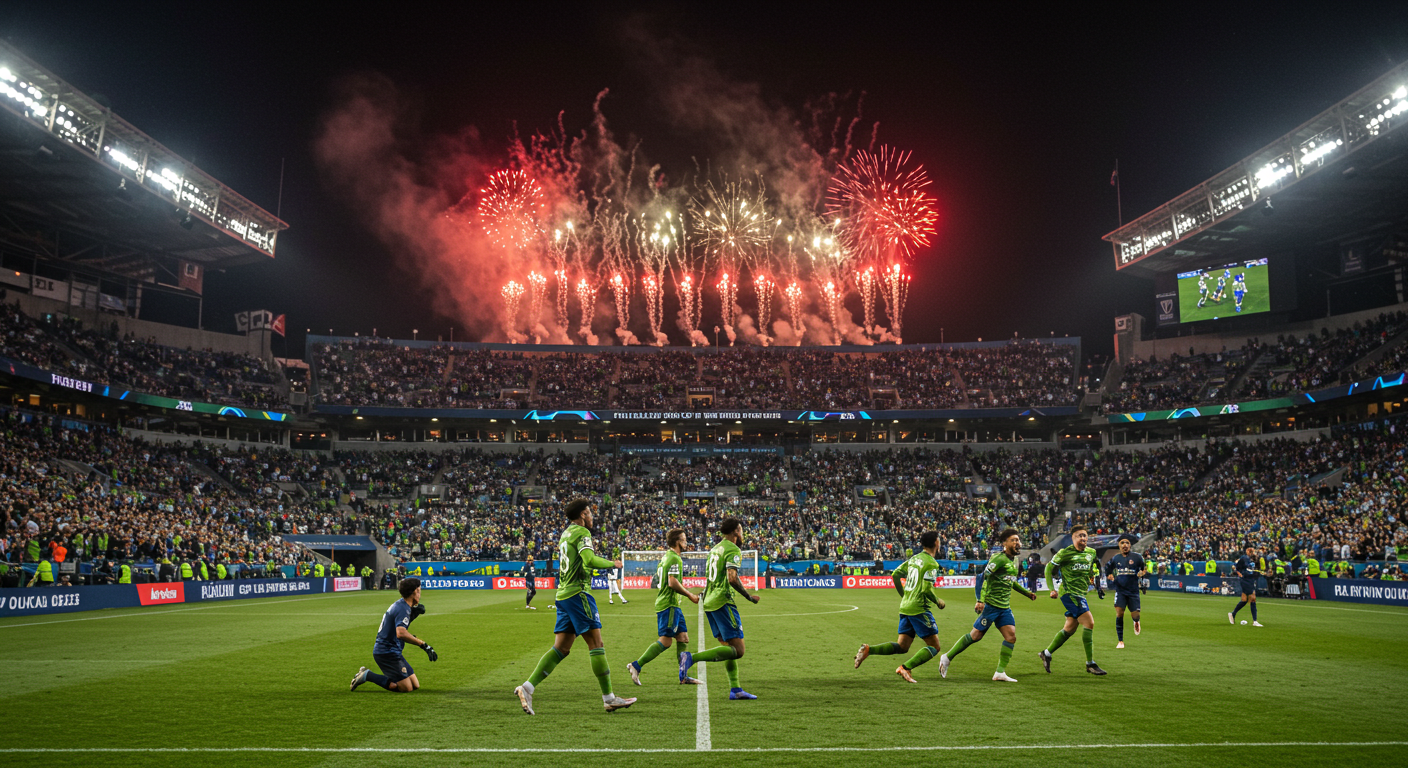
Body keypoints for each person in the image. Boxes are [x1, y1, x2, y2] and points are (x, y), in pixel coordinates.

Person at [514, 499, 635, 715]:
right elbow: (588, 559)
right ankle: (609, 698)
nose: (591, 516)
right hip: (579, 594)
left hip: (563, 595)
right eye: (589, 512)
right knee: (596, 643)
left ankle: (527, 688)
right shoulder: (582, 532)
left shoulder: (566, 533)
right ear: (581, 515)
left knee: (561, 648)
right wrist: (612, 563)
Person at [939, 528, 1036, 683]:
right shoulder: (998, 559)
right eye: (1013, 540)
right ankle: (947, 657)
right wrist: (980, 600)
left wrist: (1027, 593)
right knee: (975, 636)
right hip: (991, 605)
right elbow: (981, 578)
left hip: (1004, 607)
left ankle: (1000, 672)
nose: (1017, 543)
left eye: (1018, 540)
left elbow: (1011, 582)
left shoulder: (1015, 560)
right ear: (1005, 543)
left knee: (1011, 637)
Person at [679, 517, 760, 700]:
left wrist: (705, 594)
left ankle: (736, 689)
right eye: (741, 529)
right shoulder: (733, 549)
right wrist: (748, 597)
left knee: (728, 648)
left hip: (710, 601)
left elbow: (709, 578)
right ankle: (691, 657)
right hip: (723, 601)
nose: (742, 533)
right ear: (736, 531)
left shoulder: (714, 550)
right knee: (738, 650)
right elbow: (732, 578)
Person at [854, 530, 947, 682]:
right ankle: (905, 668)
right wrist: (938, 601)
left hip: (905, 607)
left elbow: (896, 574)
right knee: (934, 647)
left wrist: (905, 596)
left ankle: (869, 650)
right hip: (918, 608)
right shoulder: (931, 563)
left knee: (902, 646)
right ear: (936, 543)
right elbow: (926, 589)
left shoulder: (914, 559)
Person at [627, 529, 702, 686]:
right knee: (666, 641)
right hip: (669, 604)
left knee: (683, 638)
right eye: (684, 539)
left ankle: (683, 676)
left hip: (673, 605)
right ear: (677, 542)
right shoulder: (674, 558)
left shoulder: (667, 557)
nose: (686, 542)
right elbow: (672, 582)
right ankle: (636, 665)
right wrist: (690, 595)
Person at [1038, 525, 1108, 675]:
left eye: (1084, 535)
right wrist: (1051, 589)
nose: (1082, 538)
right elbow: (1048, 568)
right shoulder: (1065, 553)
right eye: (1079, 536)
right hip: (1069, 593)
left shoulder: (1091, 552)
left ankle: (1046, 653)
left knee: (1070, 628)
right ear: (1073, 538)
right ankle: (1090, 663)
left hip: (1081, 593)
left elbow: (1093, 569)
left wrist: (1096, 583)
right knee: (1089, 622)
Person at [349, 577, 437, 693]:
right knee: (406, 688)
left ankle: (394, 677)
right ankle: (367, 675)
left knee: (415, 685)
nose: (420, 594)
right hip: (386, 652)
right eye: (419, 590)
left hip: (393, 650)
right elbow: (401, 633)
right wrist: (423, 645)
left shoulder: (403, 605)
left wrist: (413, 615)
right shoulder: (402, 608)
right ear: (414, 591)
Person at [1105, 537, 1146, 648]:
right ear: (1119, 545)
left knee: (1136, 615)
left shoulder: (1137, 557)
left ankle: (1136, 621)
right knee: (1119, 613)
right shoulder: (1115, 558)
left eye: (1127, 543)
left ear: (1130, 545)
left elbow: (1144, 568)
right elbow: (1107, 568)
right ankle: (1120, 641)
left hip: (1133, 591)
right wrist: (1109, 575)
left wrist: (1142, 573)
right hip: (1120, 590)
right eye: (1122, 543)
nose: (1124, 545)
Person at [1229, 544, 1263, 627]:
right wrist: (1239, 574)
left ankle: (1233, 613)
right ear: (1247, 550)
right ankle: (1255, 621)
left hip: (1250, 579)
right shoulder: (1244, 558)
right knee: (1253, 598)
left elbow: (1252, 569)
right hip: (1246, 580)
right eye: (1250, 549)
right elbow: (1235, 566)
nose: (1252, 551)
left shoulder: (1252, 559)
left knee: (1244, 600)